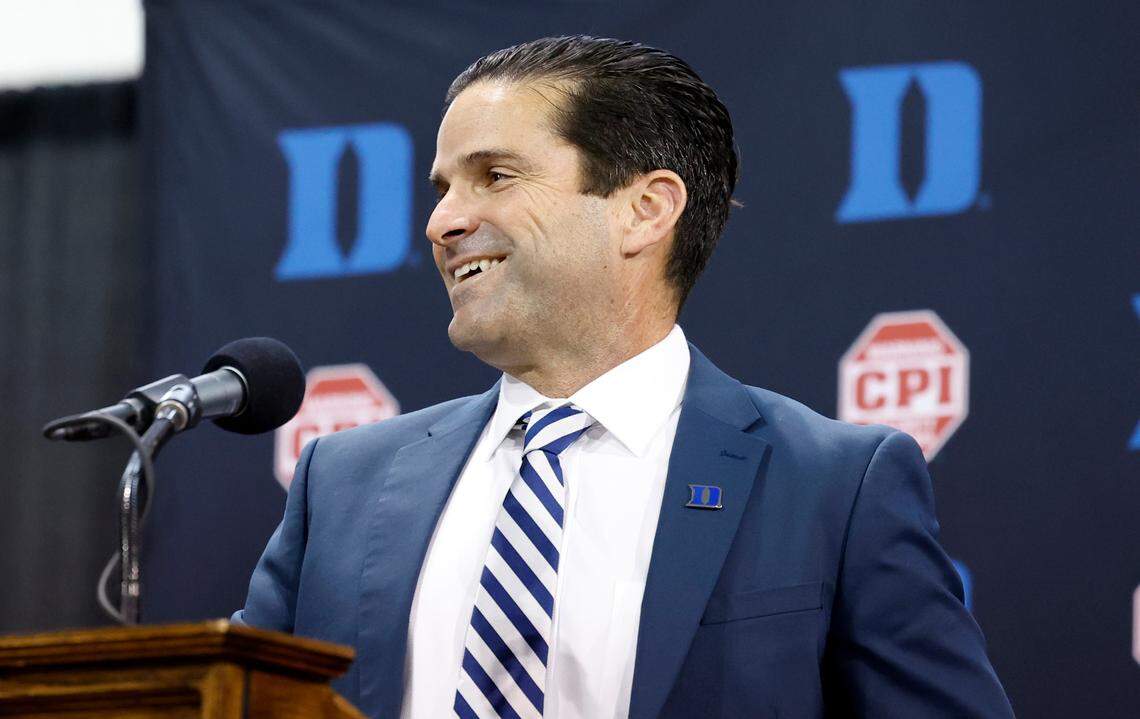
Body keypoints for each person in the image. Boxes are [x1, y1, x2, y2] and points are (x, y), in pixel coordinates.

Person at [234, 36, 1014, 719]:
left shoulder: (833, 487)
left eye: (495, 176)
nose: (442, 222)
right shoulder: (343, 485)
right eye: (443, 189)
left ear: (645, 209)